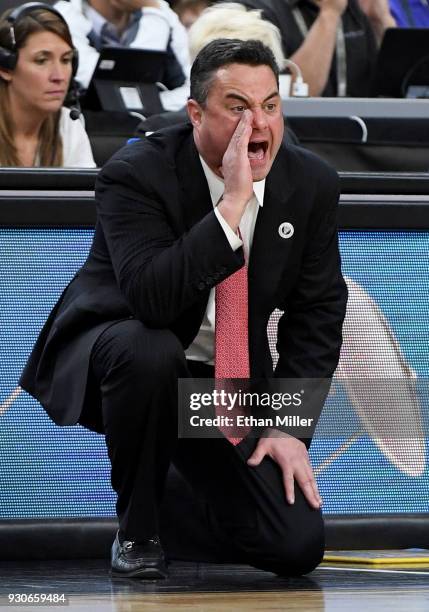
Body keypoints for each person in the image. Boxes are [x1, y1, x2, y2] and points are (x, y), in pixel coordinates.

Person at [20, 38, 347, 578]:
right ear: (196, 113)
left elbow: (319, 313)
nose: (258, 126)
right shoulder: (136, 173)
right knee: (150, 350)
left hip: (219, 389)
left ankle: (167, 498)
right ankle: (138, 532)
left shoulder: (310, 182)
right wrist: (232, 207)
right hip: (122, 361)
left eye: (270, 106)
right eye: (238, 108)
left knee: (294, 546)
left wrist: (289, 426)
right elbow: (152, 300)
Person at [231, 0, 396, 96]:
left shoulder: (352, 8)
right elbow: (290, 94)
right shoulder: (258, 11)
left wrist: (381, 20)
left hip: (356, 141)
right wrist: (329, 15)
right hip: (298, 138)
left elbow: (393, 87)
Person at [0, 3, 95, 167]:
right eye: (42, 61)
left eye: (66, 60)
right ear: (5, 67)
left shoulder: (68, 126)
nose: (59, 76)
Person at [54, 0, 191, 111]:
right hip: (97, 130)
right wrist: (153, 15)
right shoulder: (65, 16)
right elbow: (119, 85)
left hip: (158, 128)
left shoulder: (159, 9)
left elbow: (195, 86)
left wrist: (157, 105)